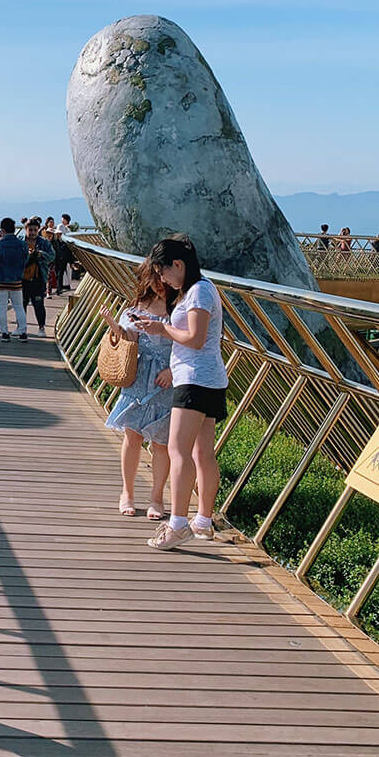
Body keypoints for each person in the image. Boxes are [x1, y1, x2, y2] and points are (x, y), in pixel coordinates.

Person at [137, 236, 229, 551]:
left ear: (178, 265)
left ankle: (177, 523)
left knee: (178, 450)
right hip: (208, 379)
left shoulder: (199, 291)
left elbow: (195, 338)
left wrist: (162, 329)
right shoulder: (197, 290)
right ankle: (202, 520)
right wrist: (159, 325)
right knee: (202, 453)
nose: (162, 280)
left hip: (194, 380)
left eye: (163, 272)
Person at [98, 258, 175, 519]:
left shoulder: (180, 307)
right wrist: (113, 325)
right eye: (156, 278)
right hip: (139, 377)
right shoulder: (140, 305)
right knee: (132, 436)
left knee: (161, 443)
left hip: (166, 380)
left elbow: (189, 343)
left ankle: (156, 498)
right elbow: (130, 337)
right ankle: (127, 493)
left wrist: (173, 372)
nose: (161, 284)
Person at [0, 217, 28, 341]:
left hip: (1, 281)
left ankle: (4, 333)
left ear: (2, 230)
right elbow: (26, 259)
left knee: (2, 307)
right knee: (19, 307)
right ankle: (23, 332)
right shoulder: (21, 244)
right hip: (16, 281)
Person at [21, 217, 54, 337]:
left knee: (38, 304)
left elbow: (52, 256)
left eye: (35, 230)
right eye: (30, 230)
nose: (33, 232)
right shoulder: (20, 242)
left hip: (38, 278)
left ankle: (41, 327)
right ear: (25, 229)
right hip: (22, 279)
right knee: (21, 304)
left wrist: (40, 254)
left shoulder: (44, 243)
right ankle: (22, 327)